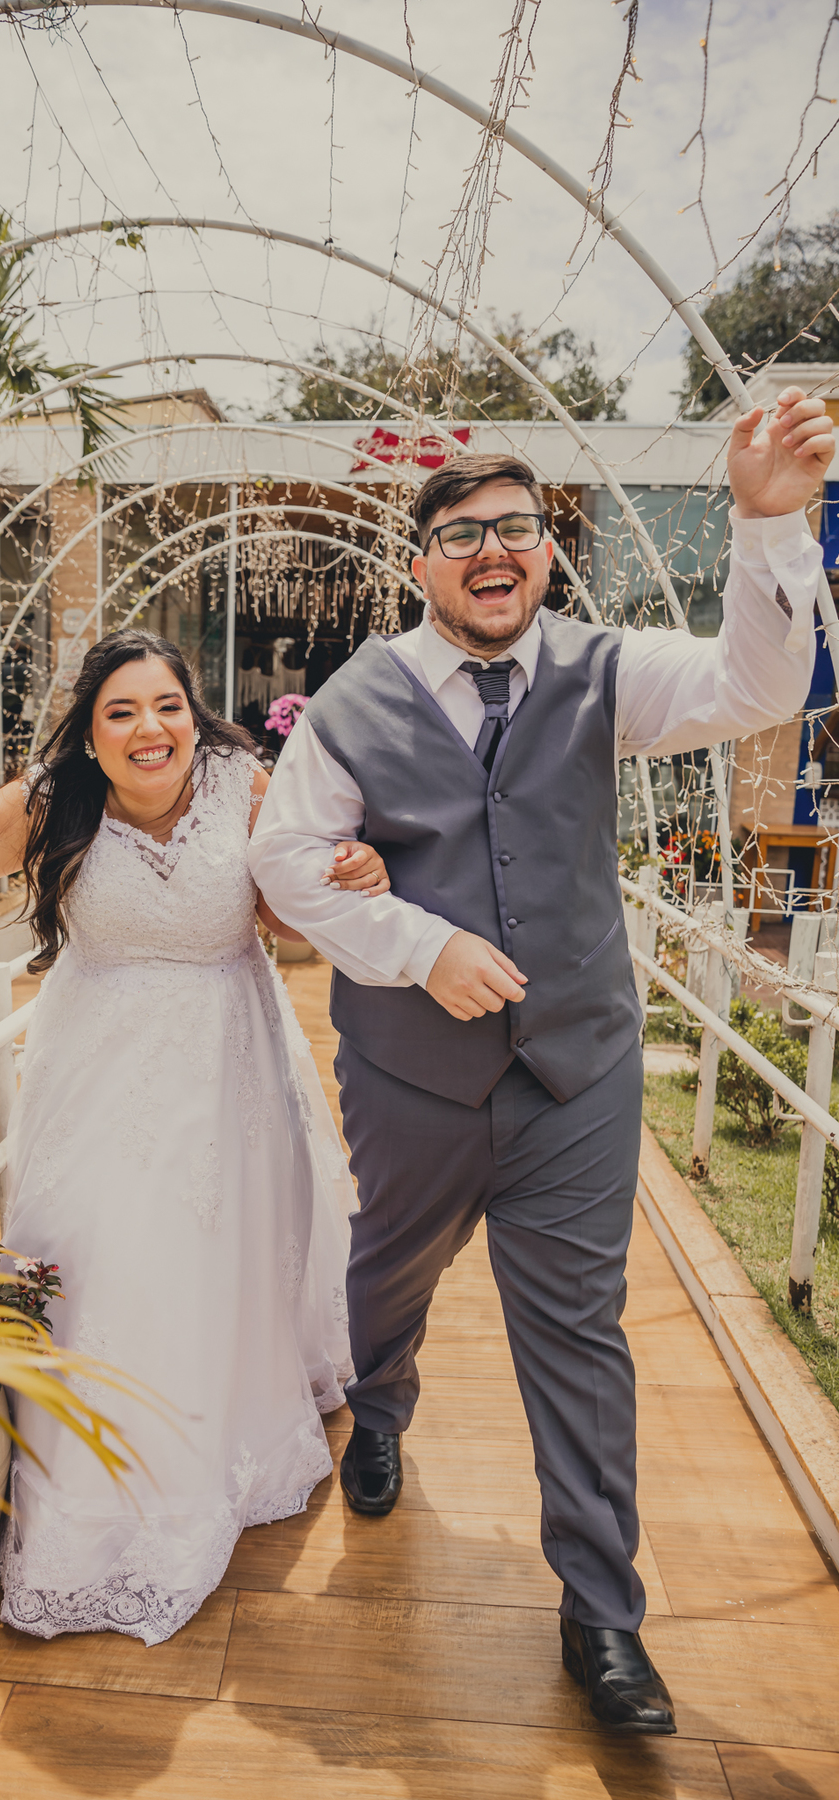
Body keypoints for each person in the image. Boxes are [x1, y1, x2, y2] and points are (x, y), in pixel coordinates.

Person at [249, 387, 836, 1735]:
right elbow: (283, 862)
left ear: (548, 551)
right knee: (389, 1268)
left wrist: (765, 525)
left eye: (514, 527)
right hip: (411, 1073)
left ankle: (602, 1613)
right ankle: (378, 1404)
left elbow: (759, 687)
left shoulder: (605, 670)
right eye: (460, 534)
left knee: (576, 1330)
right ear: (421, 566)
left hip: (578, 1070)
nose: (492, 550)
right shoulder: (353, 700)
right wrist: (418, 945)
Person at [0, 631, 386, 1645]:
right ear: (90, 732)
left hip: (230, 1065)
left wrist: (348, 873)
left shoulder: (245, 786)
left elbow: (288, 921)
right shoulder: (50, 801)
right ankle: (101, 1486)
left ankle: (215, 1440)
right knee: (98, 1263)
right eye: (122, 711)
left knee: (219, 1260)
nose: (149, 729)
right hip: (96, 1075)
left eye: (167, 706)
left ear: (193, 715)